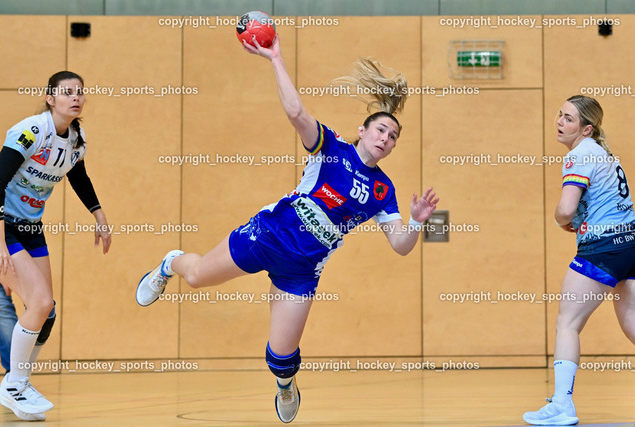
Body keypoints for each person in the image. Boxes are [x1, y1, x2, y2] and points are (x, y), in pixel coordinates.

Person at [137, 35, 438, 424]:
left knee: (281, 359)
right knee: (194, 277)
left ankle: (285, 385)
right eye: (380, 130)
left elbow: (400, 245)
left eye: (393, 136)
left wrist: (415, 221)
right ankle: (168, 264)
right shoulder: (330, 147)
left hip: (301, 269)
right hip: (265, 237)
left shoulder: (384, 190)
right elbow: (296, 112)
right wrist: (275, 58)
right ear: (362, 132)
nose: (386, 138)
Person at [0, 71, 111, 421]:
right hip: (4, 226)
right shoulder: (32, 131)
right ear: (51, 98)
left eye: (80, 92)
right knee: (40, 301)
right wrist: (0, 241)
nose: (75, 97)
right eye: (67, 92)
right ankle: (14, 383)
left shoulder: (76, 139)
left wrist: (99, 214)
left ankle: (20, 384)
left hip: (31, 227)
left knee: (47, 311)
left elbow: (78, 175)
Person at [523, 95, 635, 425]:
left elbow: (565, 209)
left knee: (567, 322)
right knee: (633, 321)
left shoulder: (579, 155)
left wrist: (563, 221)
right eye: (560, 115)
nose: (560, 122)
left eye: (569, 119)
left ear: (586, 129)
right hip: (632, 243)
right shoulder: (604, 154)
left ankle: (562, 404)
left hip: (602, 247)